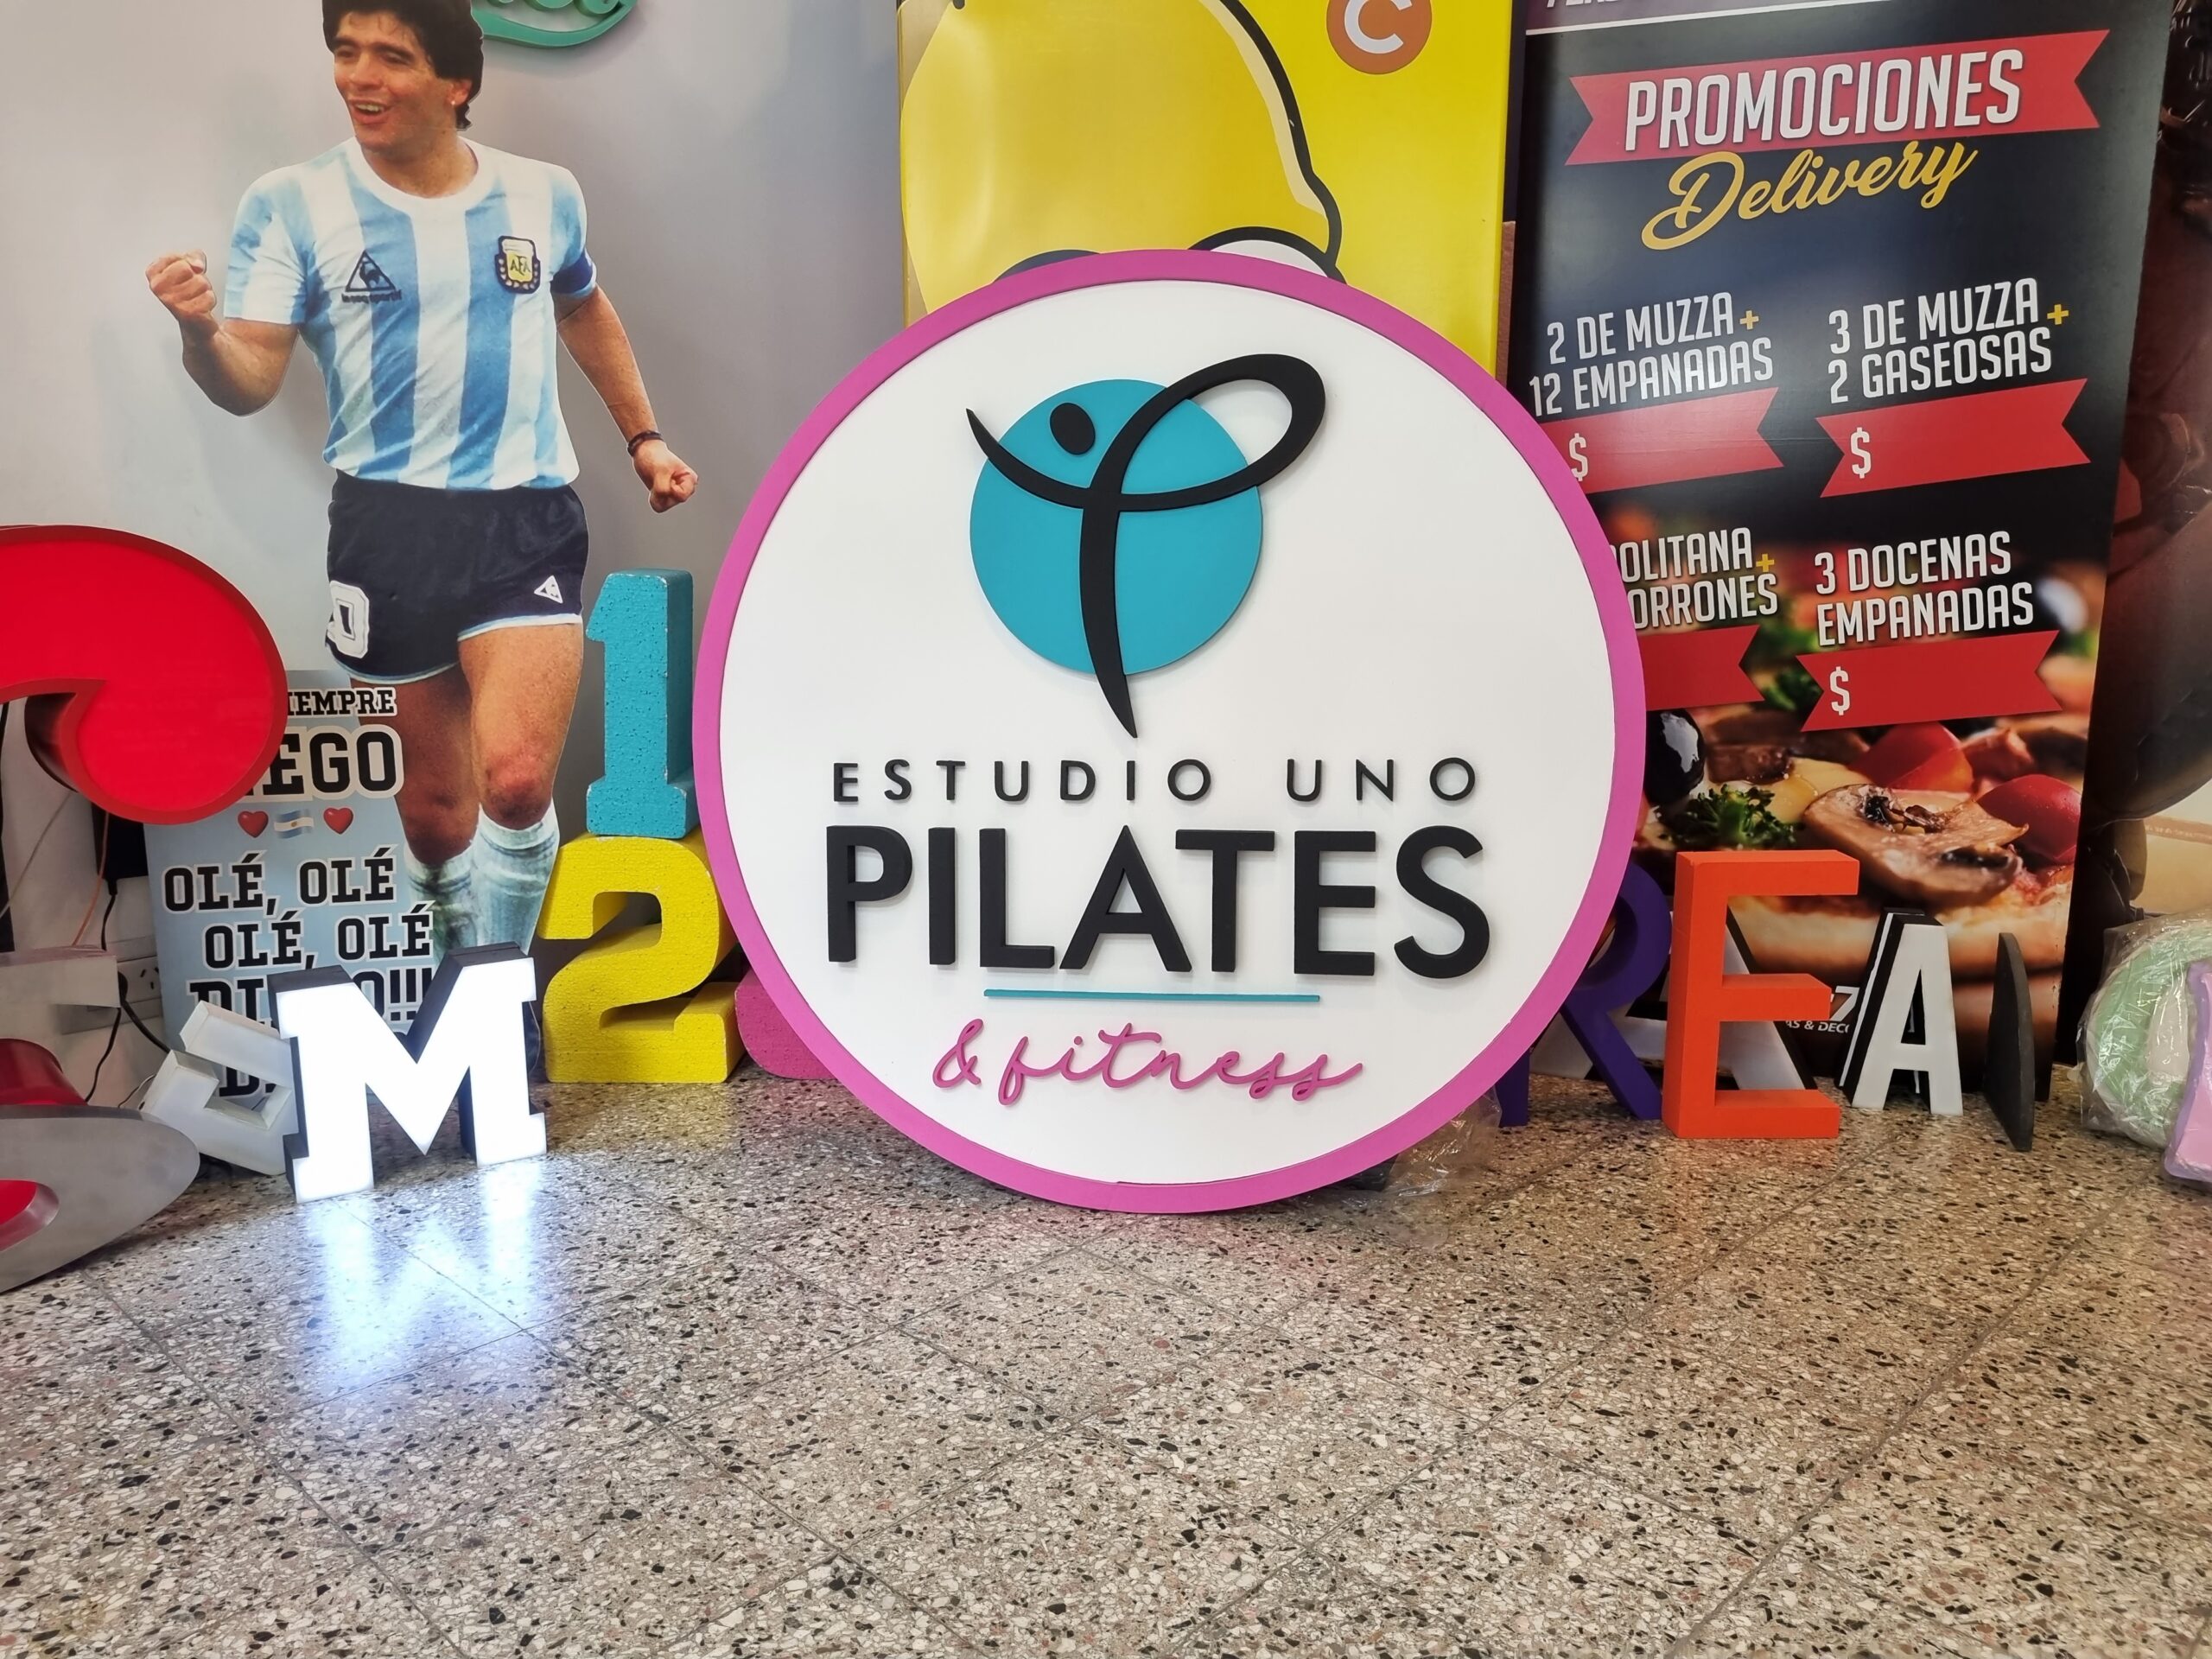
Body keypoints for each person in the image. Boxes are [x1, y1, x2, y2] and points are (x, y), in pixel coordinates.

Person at [145, 0, 696, 967]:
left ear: (456, 84)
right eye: (346, 51)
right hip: (385, 528)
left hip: (524, 515)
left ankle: (497, 996)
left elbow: (583, 305)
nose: (360, 77)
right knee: (436, 817)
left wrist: (642, 437)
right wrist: (200, 333)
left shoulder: (544, 194)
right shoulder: (290, 202)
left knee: (515, 782)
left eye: (392, 57)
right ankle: (453, 963)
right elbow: (250, 381)